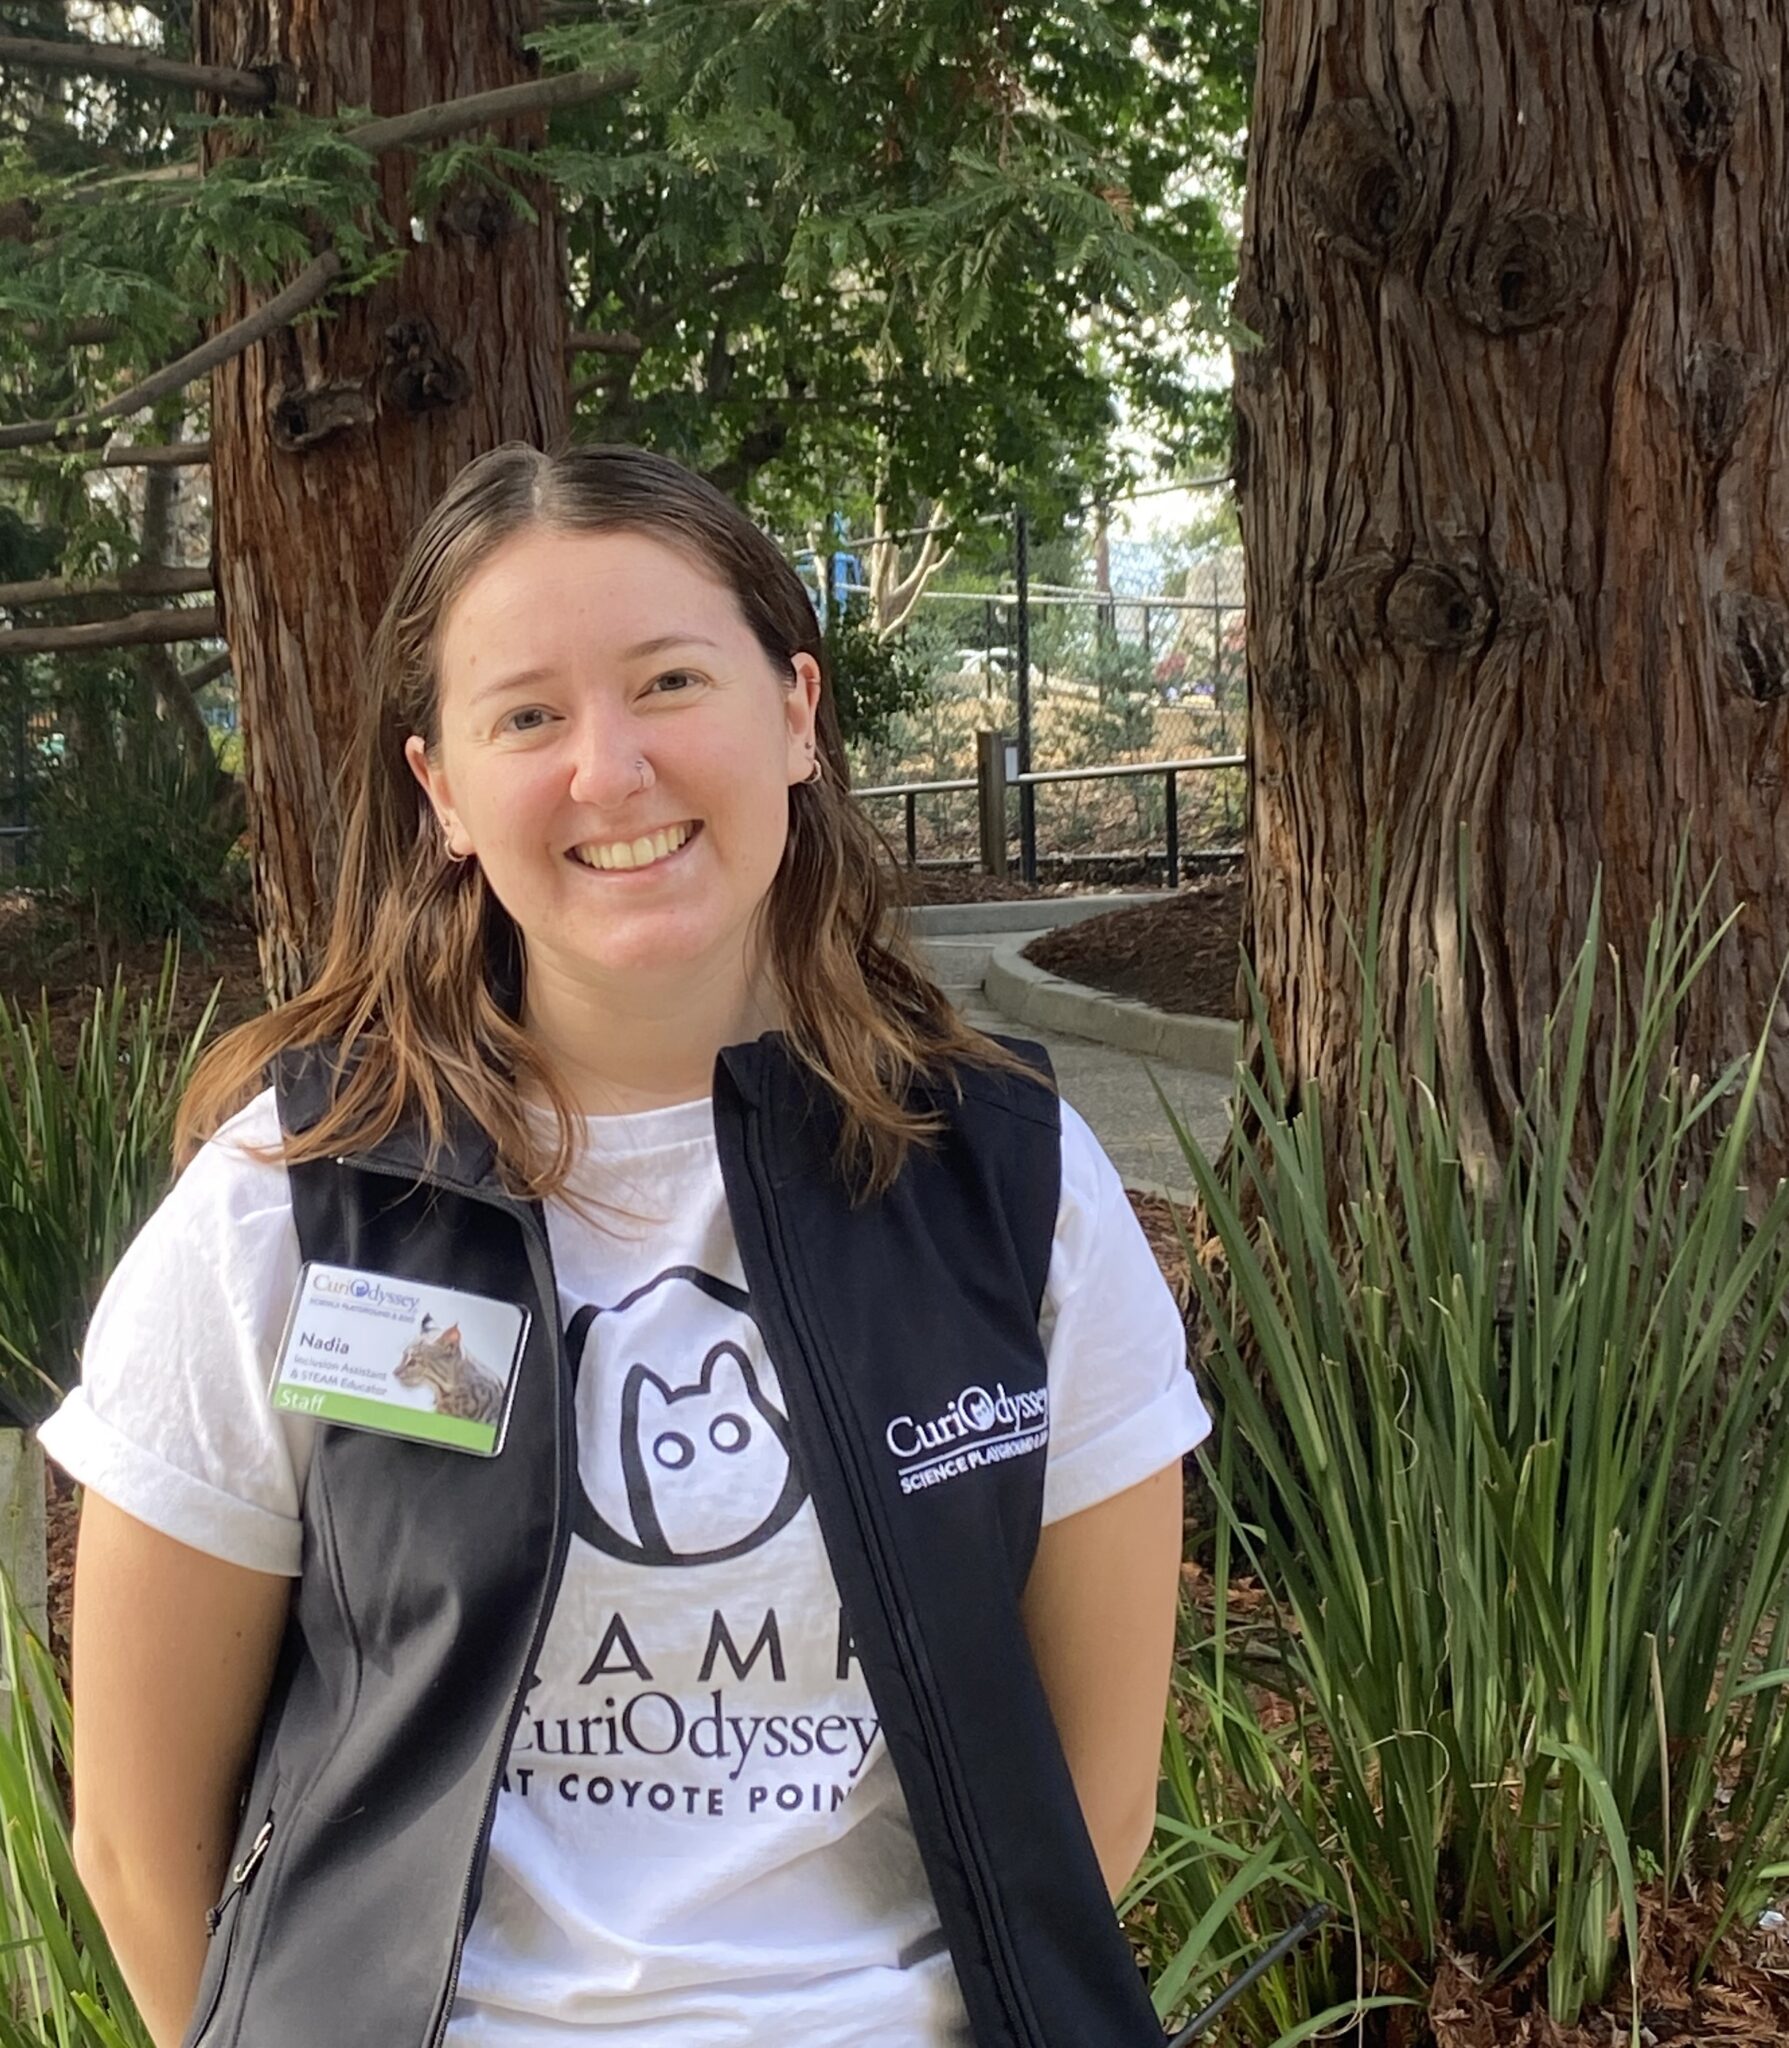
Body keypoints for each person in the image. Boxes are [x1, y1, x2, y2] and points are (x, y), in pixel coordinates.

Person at [40, 443, 1212, 2048]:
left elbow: (1098, 1798)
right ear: (442, 790)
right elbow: (135, 1843)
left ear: (795, 714)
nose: (611, 769)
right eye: (526, 716)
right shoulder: (289, 1207)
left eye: (669, 680)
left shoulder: (1009, 1190)